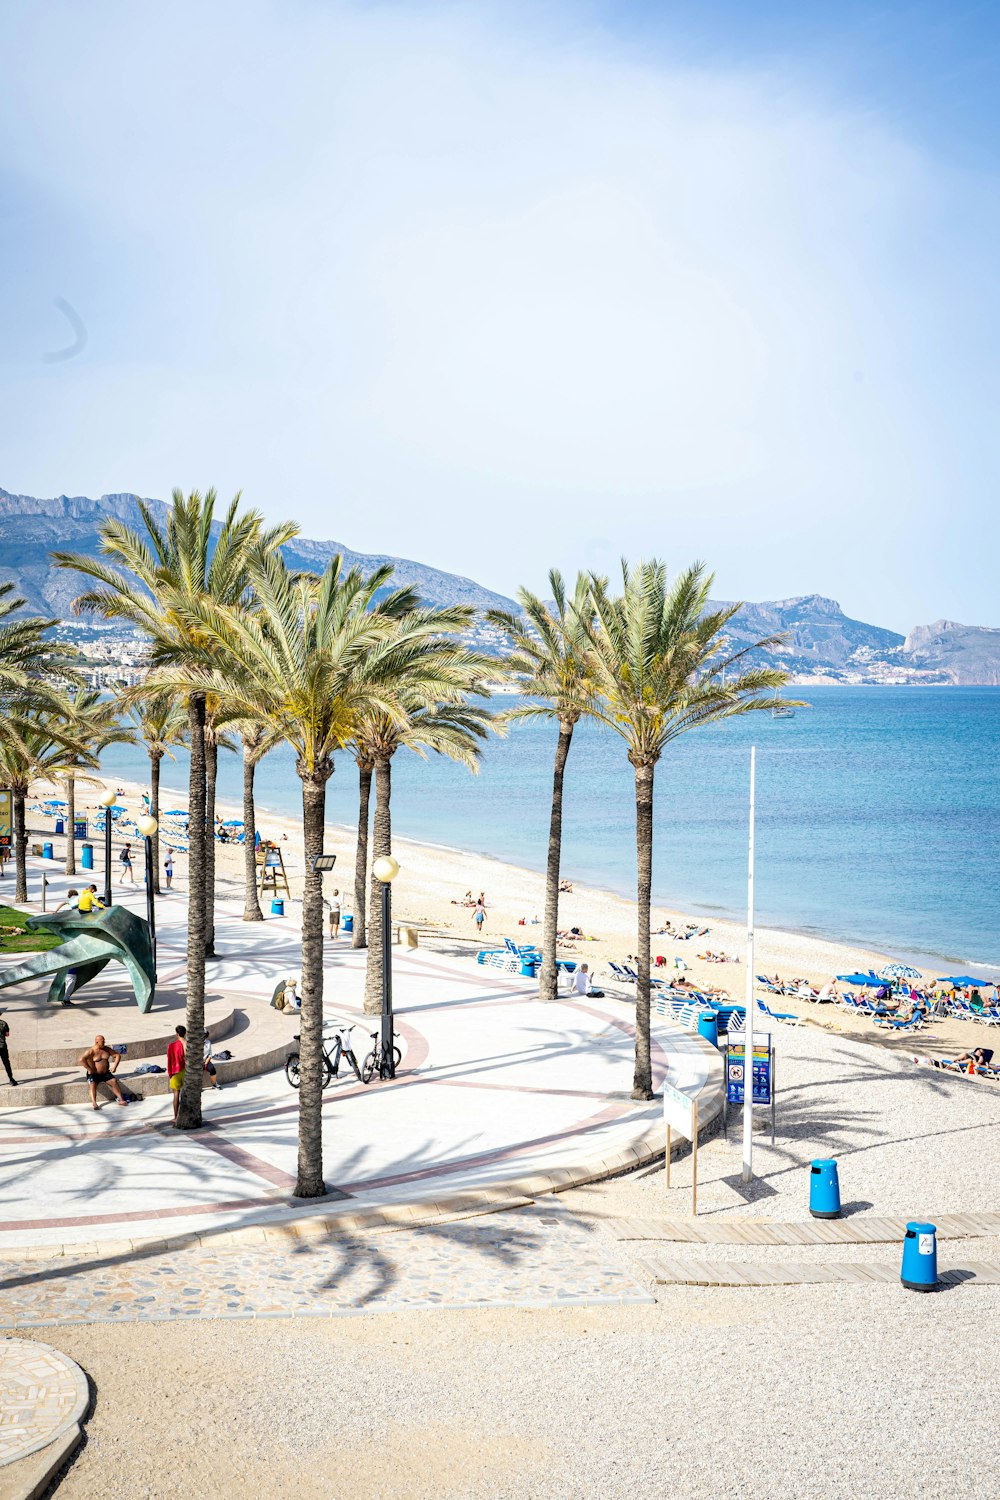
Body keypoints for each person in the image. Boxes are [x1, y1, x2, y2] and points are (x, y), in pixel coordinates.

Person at [79, 1034, 127, 1110]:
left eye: (104, 1041)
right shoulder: (91, 1051)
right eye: (102, 1041)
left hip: (105, 1073)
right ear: (97, 1042)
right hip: (94, 1074)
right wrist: (89, 1069)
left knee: (114, 1081)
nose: (104, 1042)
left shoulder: (106, 1049)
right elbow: (81, 1060)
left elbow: (117, 1055)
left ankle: (121, 1100)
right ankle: (94, 1103)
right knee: (92, 1085)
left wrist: (115, 1067)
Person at [167, 1024, 186, 1121]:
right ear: (185, 1033)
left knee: (176, 1093)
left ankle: (176, 1117)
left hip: (175, 1072)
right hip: (186, 1071)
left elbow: (170, 1059)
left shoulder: (172, 1046)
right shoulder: (186, 1044)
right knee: (187, 1093)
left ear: (177, 1034)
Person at [0, 1009, 18, 1086]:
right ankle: (11, 1079)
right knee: (6, 1063)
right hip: (2, 1046)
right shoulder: (4, 1023)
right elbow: (7, 1034)